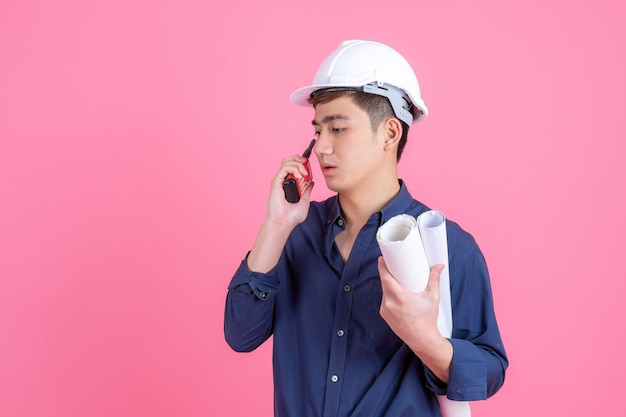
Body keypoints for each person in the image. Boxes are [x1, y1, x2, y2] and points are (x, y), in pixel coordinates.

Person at [224, 39, 508, 417]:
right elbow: (241, 334)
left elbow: (489, 372)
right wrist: (277, 225)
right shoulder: (296, 236)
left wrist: (426, 340)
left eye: (338, 129)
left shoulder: (448, 247)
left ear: (390, 134)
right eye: (317, 131)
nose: (322, 147)